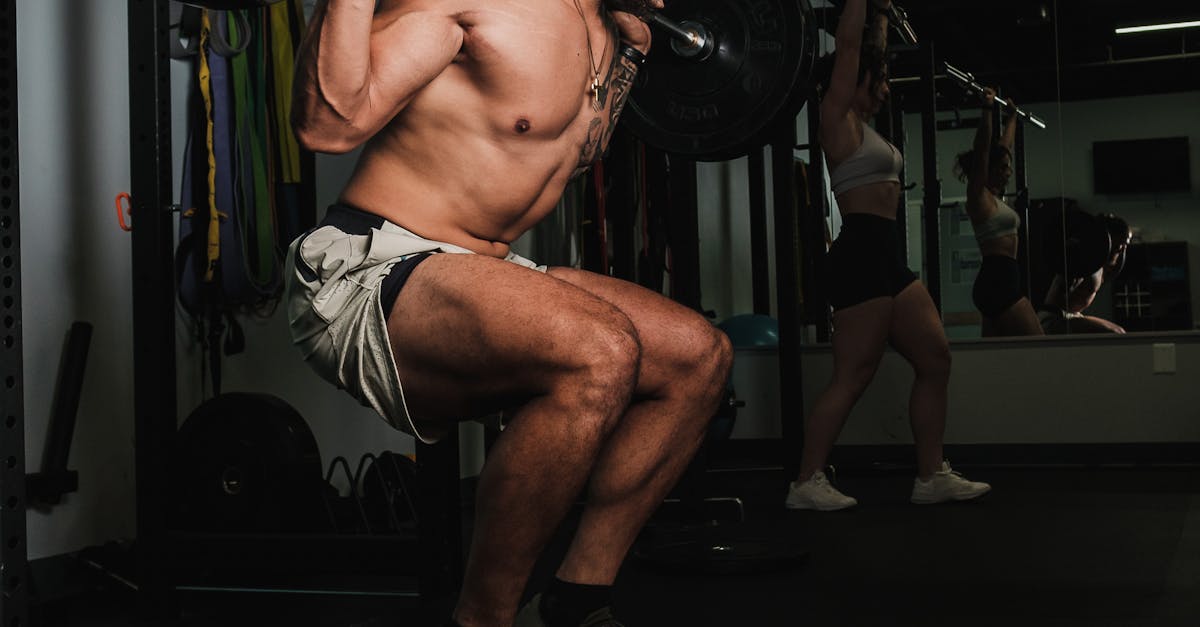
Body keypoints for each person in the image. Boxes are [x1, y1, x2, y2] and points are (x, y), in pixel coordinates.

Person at [285, 1, 733, 626]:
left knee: (698, 357)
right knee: (600, 352)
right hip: (372, 266)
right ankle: (482, 618)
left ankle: (579, 598)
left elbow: (582, 151)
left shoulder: (604, 24)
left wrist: (631, 50)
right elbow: (325, 129)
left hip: (484, 267)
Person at [784, 0, 990, 512]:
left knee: (936, 359)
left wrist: (879, 15)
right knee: (853, 375)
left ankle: (930, 475)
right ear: (849, 81)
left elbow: (869, 47)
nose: (884, 90)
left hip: (887, 255)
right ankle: (806, 481)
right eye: (875, 82)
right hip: (860, 253)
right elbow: (851, 45)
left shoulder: (865, 126)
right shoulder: (836, 117)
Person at [954, 88, 1042, 336]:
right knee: (1041, 349)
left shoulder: (995, 198)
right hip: (999, 282)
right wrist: (988, 109)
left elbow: (1003, 148)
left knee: (997, 358)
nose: (1009, 172)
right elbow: (984, 149)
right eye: (1004, 168)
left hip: (1000, 282)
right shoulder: (978, 196)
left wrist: (1012, 117)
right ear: (989, 169)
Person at [1039, 213, 1132, 334]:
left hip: (1071, 316)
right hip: (1053, 319)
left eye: (1125, 245)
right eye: (1120, 243)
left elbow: (1116, 266)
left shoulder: (1103, 265)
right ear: (1108, 237)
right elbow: (1058, 293)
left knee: (1120, 332)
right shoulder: (1086, 258)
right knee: (1117, 332)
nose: (1122, 248)